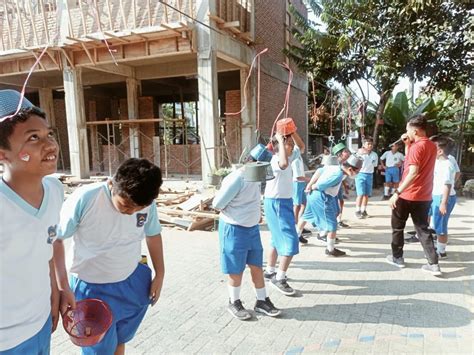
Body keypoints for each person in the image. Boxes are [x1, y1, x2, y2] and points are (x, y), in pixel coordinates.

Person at [54, 158, 165, 354]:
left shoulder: (146, 201)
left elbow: (153, 234)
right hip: (90, 288)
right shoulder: (86, 198)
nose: (131, 212)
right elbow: (56, 239)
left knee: (120, 340)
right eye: (126, 205)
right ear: (112, 184)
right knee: (98, 349)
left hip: (132, 282)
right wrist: (62, 287)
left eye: (138, 209)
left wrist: (160, 273)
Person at [0, 90, 62, 354]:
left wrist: (60, 286)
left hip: (41, 325)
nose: (50, 145)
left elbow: (50, 241)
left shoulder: (55, 190)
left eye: (49, 134)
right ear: (3, 155)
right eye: (33, 138)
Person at [212, 159, 281, 320]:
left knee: (256, 265)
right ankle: (234, 301)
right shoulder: (237, 179)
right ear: (250, 162)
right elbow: (217, 203)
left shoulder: (255, 176)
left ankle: (262, 300)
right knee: (236, 269)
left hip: (252, 229)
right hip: (234, 228)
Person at [386, 115, 441, 276]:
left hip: (407, 195)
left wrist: (397, 193)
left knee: (397, 227)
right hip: (424, 196)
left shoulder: (417, 147)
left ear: (415, 130)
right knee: (423, 230)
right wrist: (407, 144)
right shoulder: (430, 145)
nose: (406, 132)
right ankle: (434, 264)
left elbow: (413, 172)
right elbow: (412, 160)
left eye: (408, 130)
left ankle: (397, 258)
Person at [263, 131, 305, 296]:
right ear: (277, 147)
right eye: (288, 144)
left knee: (275, 238)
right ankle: (279, 278)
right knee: (290, 240)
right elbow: (284, 164)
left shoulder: (288, 156)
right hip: (277, 203)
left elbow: (301, 146)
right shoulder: (275, 160)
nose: (291, 146)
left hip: (282, 202)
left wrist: (293, 132)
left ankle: (270, 270)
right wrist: (280, 140)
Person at [305, 155, 363, 256]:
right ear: (350, 169)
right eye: (357, 172)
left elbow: (319, 171)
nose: (356, 174)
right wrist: (311, 186)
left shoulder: (336, 167)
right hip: (322, 196)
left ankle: (322, 233)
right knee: (332, 225)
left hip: (327, 196)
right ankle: (330, 249)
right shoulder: (338, 174)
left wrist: (310, 185)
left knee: (335, 212)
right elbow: (321, 185)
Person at [430, 136, 457, 258]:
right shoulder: (439, 162)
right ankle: (439, 247)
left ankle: (441, 251)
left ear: (440, 151)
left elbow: (447, 184)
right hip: (438, 195)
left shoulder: (447, 165)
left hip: (443, 197)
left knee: (441, 225)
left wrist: (443, 202)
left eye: (433, 148)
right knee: (437, 223)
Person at [355, 138, 378, 218]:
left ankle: (363, 210)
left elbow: (375, 165)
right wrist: (359, 153)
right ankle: (357, 211)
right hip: (360, 174)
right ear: (364, 145)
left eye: (371, 144)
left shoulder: (374, 154)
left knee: (366, 194)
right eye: (368, 144)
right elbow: (353, 160)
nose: (370, 145)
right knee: (360, 194)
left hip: (369, 175)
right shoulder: (359, 153)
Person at [291, 154, 311, 244]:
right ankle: (295, 226)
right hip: (297, 183)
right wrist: (310, 180)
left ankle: (300, 225)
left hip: (301, 183)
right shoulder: (295, 160)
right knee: (297, 205)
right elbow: (298, 176)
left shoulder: (299, 158)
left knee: (304, 204)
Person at [332, 143, 352, 228]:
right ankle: (332, 222)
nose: (348, 153)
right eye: (345, 151)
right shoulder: (334, 163)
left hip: (339, 185)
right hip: (332, 186)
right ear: (339, 154)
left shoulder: (346, 163)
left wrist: (345, 185)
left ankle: (339, 220)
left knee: (341, 201)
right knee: (332, 204)